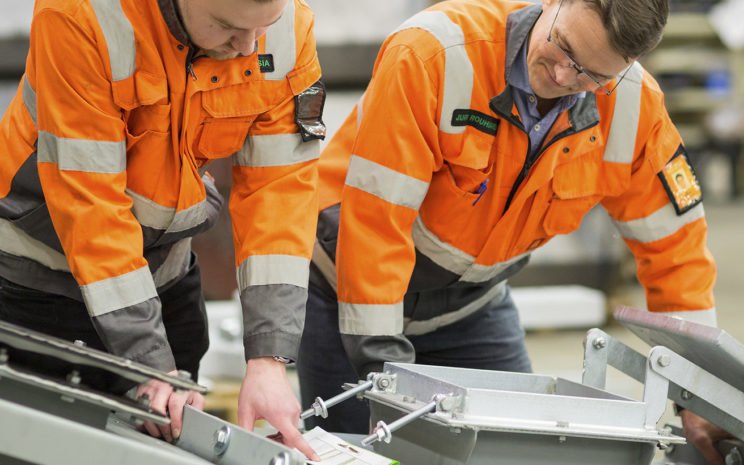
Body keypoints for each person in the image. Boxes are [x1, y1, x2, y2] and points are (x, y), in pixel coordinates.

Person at [298, 0, 725, 462]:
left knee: (520, 452)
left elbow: (676, 250)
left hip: (472, 306)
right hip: (347, 297)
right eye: (562, 47)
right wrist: (383, 371)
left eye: (591, 75)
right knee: (354, 454)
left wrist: (697, 392)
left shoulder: (633, 109)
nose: (563, 76)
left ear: (629, 65)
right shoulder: (435, 54)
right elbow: (375, 226)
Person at [0, 0, 323, 459]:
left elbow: (281, 192)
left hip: (167, 282)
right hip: (38, 290)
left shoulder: (286, 28)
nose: (249, 47)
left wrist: (268, 360)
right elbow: (92, 208)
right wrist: (150, 363)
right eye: (229, 28)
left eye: (262, 27)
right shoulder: (81, 15)